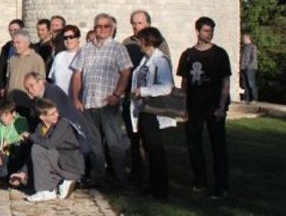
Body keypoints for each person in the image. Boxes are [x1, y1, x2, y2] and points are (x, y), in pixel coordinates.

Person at [70, 13, 133, 188]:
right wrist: (76, 98)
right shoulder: (86, 49)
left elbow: (126, 72)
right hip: (89, 103)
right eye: (99, 26)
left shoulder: (118, 48)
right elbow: (77, 75)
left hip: (108, 104)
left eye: (106, 26)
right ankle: (98, 178)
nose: (102, 29)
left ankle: (120, 179)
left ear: (112, 29)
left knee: (114, 144)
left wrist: (117, 94)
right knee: (94, 144)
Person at [177, 16, 231, 200]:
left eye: (212, 30)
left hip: (214, 106)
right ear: (198, 31)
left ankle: (221, 186)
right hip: (194, 107)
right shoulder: (188, 55)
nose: (210, 34)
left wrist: (222, 106)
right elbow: (184, 83)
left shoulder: (220, 54)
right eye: (207, 30)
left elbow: (225, 82)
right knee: (194, 146)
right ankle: (200, 182)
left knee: (218, 147)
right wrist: (183, 107)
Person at [128, 27, 175, 200]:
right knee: (148, 148)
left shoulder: (160, 60)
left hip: (154, 111)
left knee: (156, 150)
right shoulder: (145, 60)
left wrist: (144, 91)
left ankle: (160, 190)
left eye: (140, 39)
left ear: (147, 41)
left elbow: (166, 86)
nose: (138, 42)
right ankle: (153, 185)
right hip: (144, 110)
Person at [24, 98, 85, 203]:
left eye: (56, 111)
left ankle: (46, 191)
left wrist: (30, 136)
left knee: (37, 148)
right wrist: (22, 172)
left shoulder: (63, 124)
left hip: (71, 166)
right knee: (27, 180)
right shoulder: (39, 128)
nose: (56, 115)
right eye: (52, 114)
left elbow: (49, 144)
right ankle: (55, 187)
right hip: (58, 167)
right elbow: (36, 155)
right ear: (42, 117)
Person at [6, 30, 45, 110]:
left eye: (18, 42)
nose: (15, 45)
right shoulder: (12, 59)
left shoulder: (36, 59)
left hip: (27, 104)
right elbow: (8, 80)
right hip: (11, 104)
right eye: (14, 43)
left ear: (27, 43)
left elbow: (42, 82)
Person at [49, 25, 81, 95]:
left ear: (78, 38)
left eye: (71, 37)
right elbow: (53, 80)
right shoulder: (58, 56)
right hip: (58, 100)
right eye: (65, 38)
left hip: (76, 102)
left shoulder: (83, 55)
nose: (68, 40)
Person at [240, 33, 258, 103]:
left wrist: (248, 66)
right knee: (245, 84)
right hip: (244, 68)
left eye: (244, 39)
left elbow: (253, 58)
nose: (243, 40)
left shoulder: (253, 47)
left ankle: (254, 99)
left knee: (251, 83)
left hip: (250, 68)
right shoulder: (245, 47)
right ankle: (246, 99)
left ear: (248, 39)